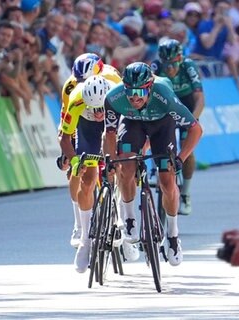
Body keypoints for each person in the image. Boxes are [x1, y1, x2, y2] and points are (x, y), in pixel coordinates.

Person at [103, 62, 203, 266]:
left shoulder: (164, 96)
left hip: (161, 124)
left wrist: (180, 158)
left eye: (140, 91)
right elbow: (110, 133)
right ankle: (129, 218)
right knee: (126, 166)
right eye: (130, 91)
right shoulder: (114, 98)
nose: (134, 97)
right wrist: (111, 160)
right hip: (132, 123)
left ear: (149, 88)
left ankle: (173, 235)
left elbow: (195, 129)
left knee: (167, 180)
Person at [58, 53, 121, 249]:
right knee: (79, 168)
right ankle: (79, 224)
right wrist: (71, 157)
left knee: (119, 162)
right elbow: (65, 128)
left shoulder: (114, 81)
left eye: (85, 80)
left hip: (110, 116)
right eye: (80, 80)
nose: (82, 83)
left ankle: (119, 215)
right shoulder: (72, 88)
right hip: (82, 117)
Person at [151, 39, 205, 215]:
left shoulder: (189, 66)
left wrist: (193, 121)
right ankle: (153, 169)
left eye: (173, 64)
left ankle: (185, 194)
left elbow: (199, 98)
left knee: (187, 149)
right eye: (166, 64)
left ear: (180, 59)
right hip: (164, 104)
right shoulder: (155, 66)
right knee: (152, 132)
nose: (169, 68)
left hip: (186, 105)